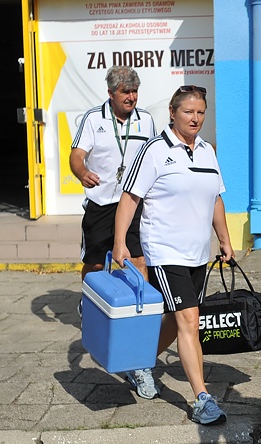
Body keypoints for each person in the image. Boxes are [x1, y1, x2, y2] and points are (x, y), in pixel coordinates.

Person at [113, 85, 233, 426]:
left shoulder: (208, 150)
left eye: (200, 113)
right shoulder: (154, 150)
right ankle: (202, 399)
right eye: (188, 112)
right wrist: (120, 242)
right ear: (172, 112)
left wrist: (224, 240)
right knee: (189, 321)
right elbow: (129, 198)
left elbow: (216, 199)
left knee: (174, 316)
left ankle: (138, 362)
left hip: (198, 252)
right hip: (165, 250)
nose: (195, 118)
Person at [71, 65, 158, 399]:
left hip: (133, 202)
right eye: (125, 93)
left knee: (137, 262)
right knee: (95, 264)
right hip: (102, 202)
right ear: (111, 94)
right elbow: (76, 155)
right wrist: (82, 173)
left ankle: (137, 309)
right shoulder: (94, 119)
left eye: (134, 92)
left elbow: (153, 155)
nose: (131, 98)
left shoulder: (145, 119)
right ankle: (90, 299)